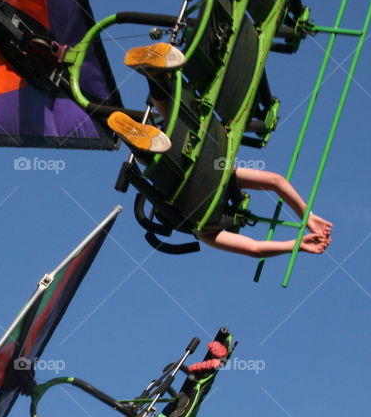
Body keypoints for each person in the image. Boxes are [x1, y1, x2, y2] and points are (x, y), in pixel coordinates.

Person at [104, 43, 332, 258]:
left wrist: (307, 215)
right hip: (170, 167)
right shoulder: (204, 229)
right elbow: (254, 249)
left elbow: (276, 181)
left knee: (179, 121)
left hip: (202, 143)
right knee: (163, 161)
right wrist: (295, 245)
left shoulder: (225, 175)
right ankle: (139, 138)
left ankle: (157, 79)